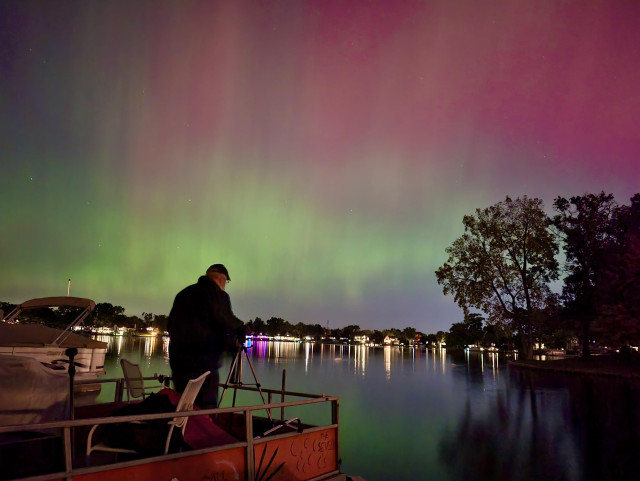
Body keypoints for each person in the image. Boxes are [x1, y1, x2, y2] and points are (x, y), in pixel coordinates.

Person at [167, 263, 245, 410]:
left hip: (178, 364)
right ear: (222, 279)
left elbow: (171, 326)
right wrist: (240, 329)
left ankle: (180, 432)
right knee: (205, 411)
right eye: (226, 282)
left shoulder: (184, 293)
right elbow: (225, 320)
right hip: (204, 366)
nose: (225, 285)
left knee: (183, 407)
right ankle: (205, 432)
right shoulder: (218, 295)